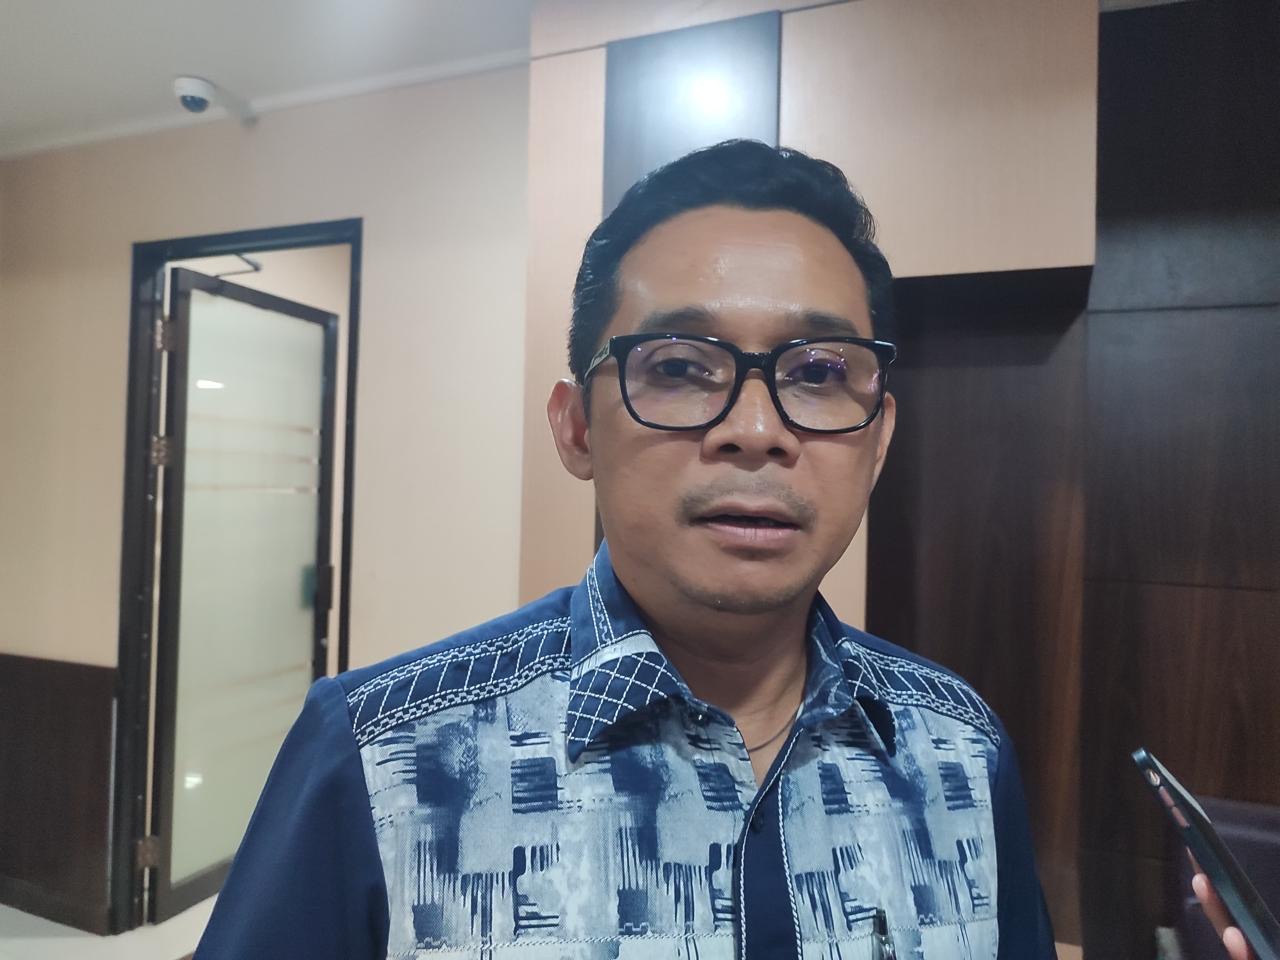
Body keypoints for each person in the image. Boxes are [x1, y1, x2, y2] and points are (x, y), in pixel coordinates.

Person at [195, 140, 1056, 959]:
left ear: (878, 440)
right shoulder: (380, 754)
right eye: (679, 368)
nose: (756, 431)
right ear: (577, 428)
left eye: (819, 373)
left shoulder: (960, 746)